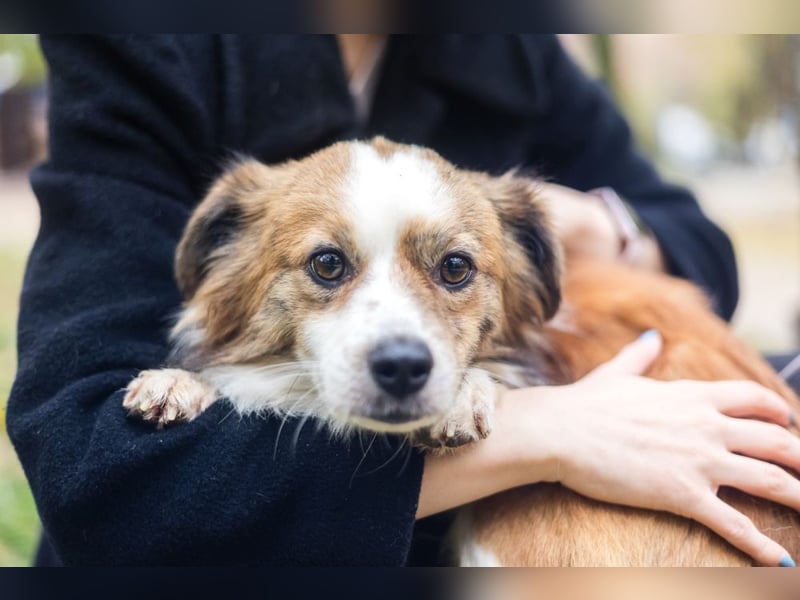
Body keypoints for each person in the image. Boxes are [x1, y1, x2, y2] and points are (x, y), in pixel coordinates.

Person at [8, 34, 800, 566]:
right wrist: (547, 432)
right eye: (327, 266)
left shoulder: (495, 39)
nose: (399, 335)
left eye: (453, 270)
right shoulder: (142, 46)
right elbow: (92, 468)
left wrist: (582, 221)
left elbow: (699, 247)